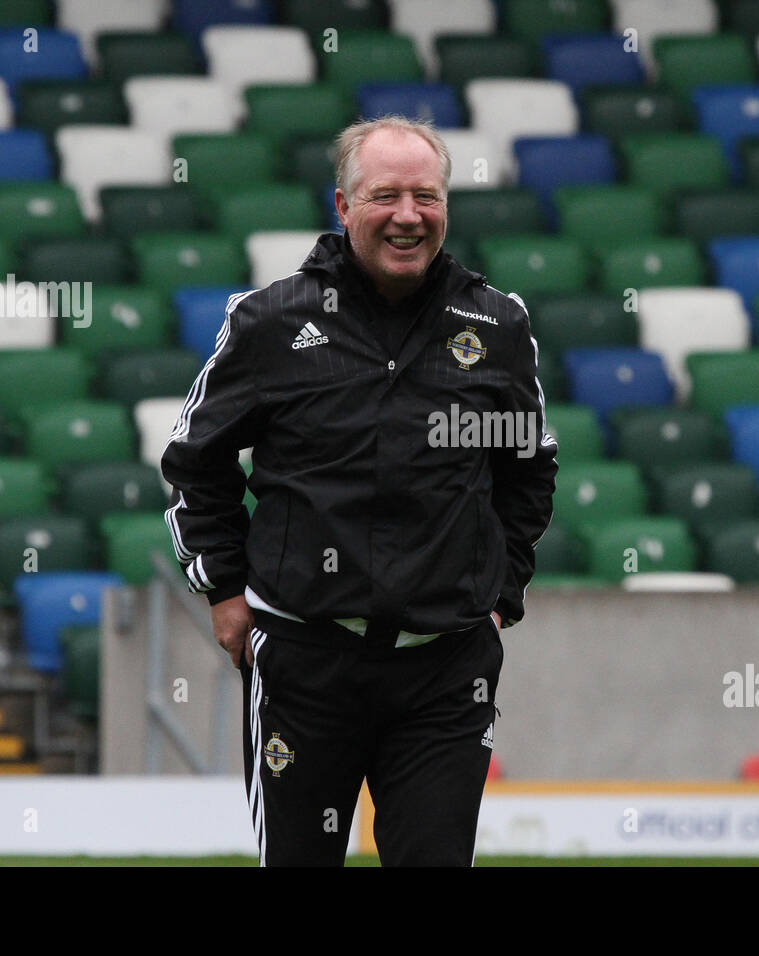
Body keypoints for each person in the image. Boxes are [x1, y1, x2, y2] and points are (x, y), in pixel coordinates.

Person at [160, 116, 558, 866]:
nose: (409, 216)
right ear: (343, 208)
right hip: (305, 663)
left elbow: (528, 466)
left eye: (426, 197)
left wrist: (501, 592)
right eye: (385, 197)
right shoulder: (271, 321)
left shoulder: (499, 325)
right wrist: (221, 588)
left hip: (447, 672)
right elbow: (194, 460)